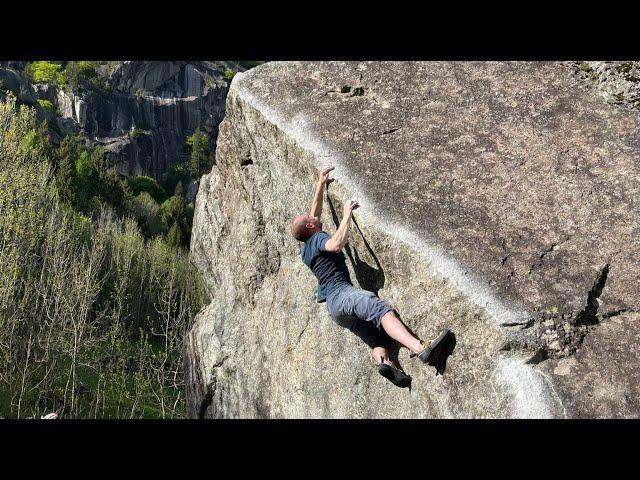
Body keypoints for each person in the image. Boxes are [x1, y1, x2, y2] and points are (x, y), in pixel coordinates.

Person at [290, 165, 452, 388]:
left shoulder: (306, 249)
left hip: (334, 309)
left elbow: (314, 213)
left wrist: (320, 183)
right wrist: (347, 215)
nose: (312, 215)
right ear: (310, 226)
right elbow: (336, 244)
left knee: (378, 339)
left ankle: (384, 362)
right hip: (343, 294)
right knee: (380, 311)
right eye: (309, 218)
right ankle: (421, 348)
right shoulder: (318, 240)